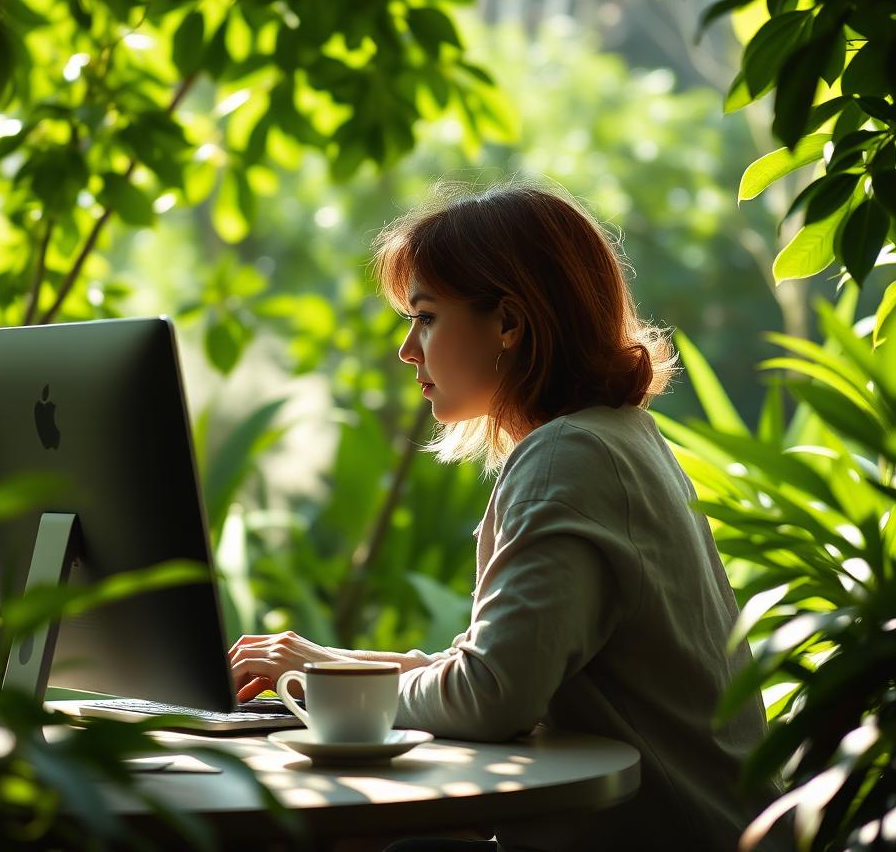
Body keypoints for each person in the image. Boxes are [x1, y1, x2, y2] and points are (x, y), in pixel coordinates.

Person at [230, 182, 790, 852]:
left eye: (428, 317)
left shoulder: (569, 456)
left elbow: (494, 695)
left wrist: (313, 683)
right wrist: (329, 666)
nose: (409, 349)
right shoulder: (614, 436)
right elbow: (499, 668)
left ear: (508, 323)